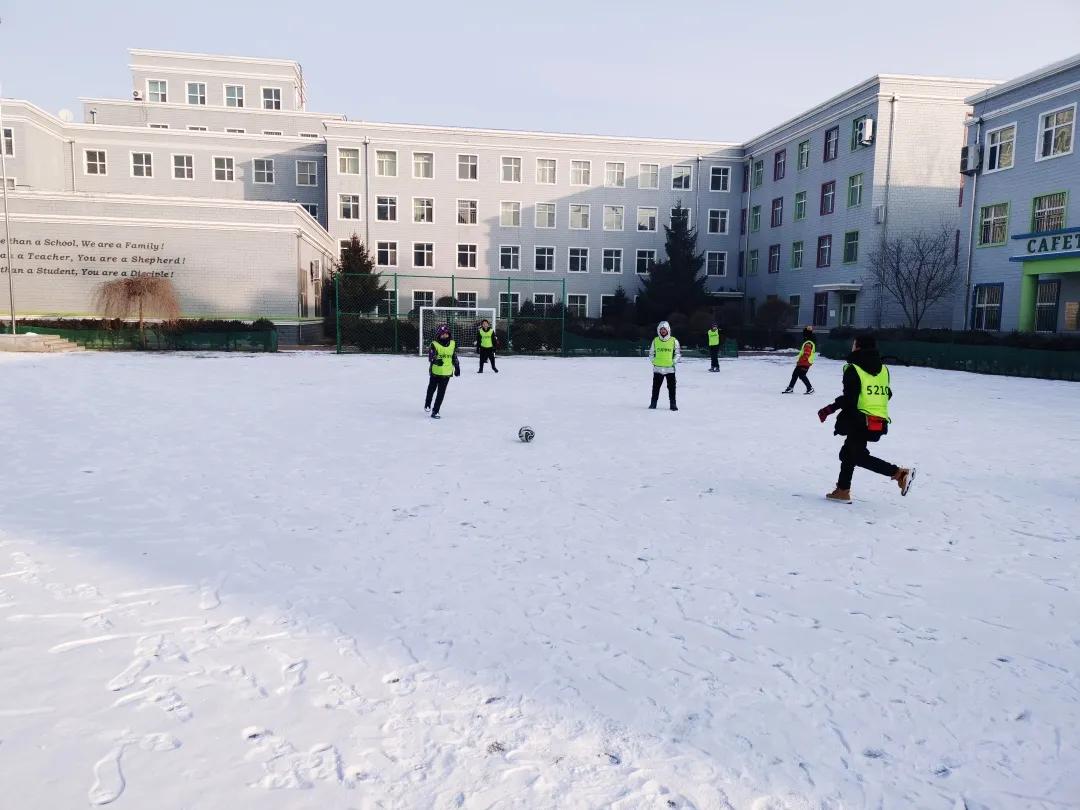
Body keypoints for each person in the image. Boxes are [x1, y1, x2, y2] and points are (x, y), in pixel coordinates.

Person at [816, 333, 915, 503]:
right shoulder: (883, 369)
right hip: (878, 420)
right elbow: (887, 393)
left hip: (859, 420)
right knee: (848, 453)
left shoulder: (853, 368)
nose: (852, 347)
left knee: (856, 456)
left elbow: (850, 398)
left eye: (854, 344)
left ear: (859, 347)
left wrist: (829, 409)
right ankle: (842, 490)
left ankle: (899, 473)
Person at [424, 324, 460, 419]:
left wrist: (457, 367)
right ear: (439, 335)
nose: (445, 336)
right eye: (442, 334)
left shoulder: (452, 344)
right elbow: (430, 357)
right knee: (431, 389)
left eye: (446, 334)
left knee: (441, 393)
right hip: (435, 372)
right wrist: (435, 360)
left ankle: (435, 411)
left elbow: (454, 356)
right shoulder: (434, 344)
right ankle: (427, 403)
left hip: (446, 373)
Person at [648, 320, 681, 411]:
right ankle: (653, 403)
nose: (663, 331)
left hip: (670, 369)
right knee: (655, 387)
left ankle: (673, 404)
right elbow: (651, 354)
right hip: (658, 369)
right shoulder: (655, 341)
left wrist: (673, 362)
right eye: (661, 329)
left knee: (671, 388)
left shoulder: (674, 340)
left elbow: (678, 354)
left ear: (668, 330)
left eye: (664, 329)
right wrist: (654, 362)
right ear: (659, 330)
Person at [783, 326, 816, 394]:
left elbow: (806, 354)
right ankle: (790, 388)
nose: (803, 335)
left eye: (804, 333)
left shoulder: (808, 343)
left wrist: (801, 361)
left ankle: (810, 388)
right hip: (804, 362)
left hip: (805, 362)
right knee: (795, 374)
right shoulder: (809, 342)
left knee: (801, 375)